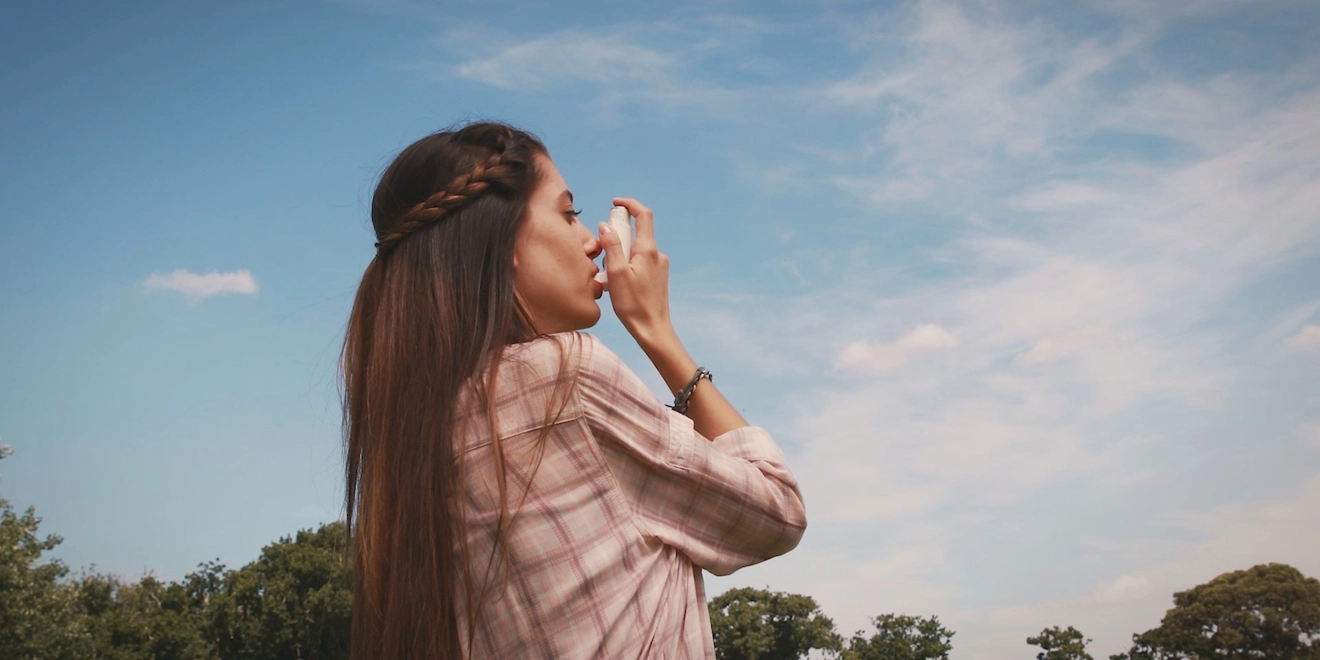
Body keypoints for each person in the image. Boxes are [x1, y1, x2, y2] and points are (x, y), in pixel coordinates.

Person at [340, 121, 806, 660]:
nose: (591, 241)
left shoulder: (418, 424)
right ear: (502, 239)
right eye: (567, 214)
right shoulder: (564, 378)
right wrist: (658, 333)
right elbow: (776, 511)